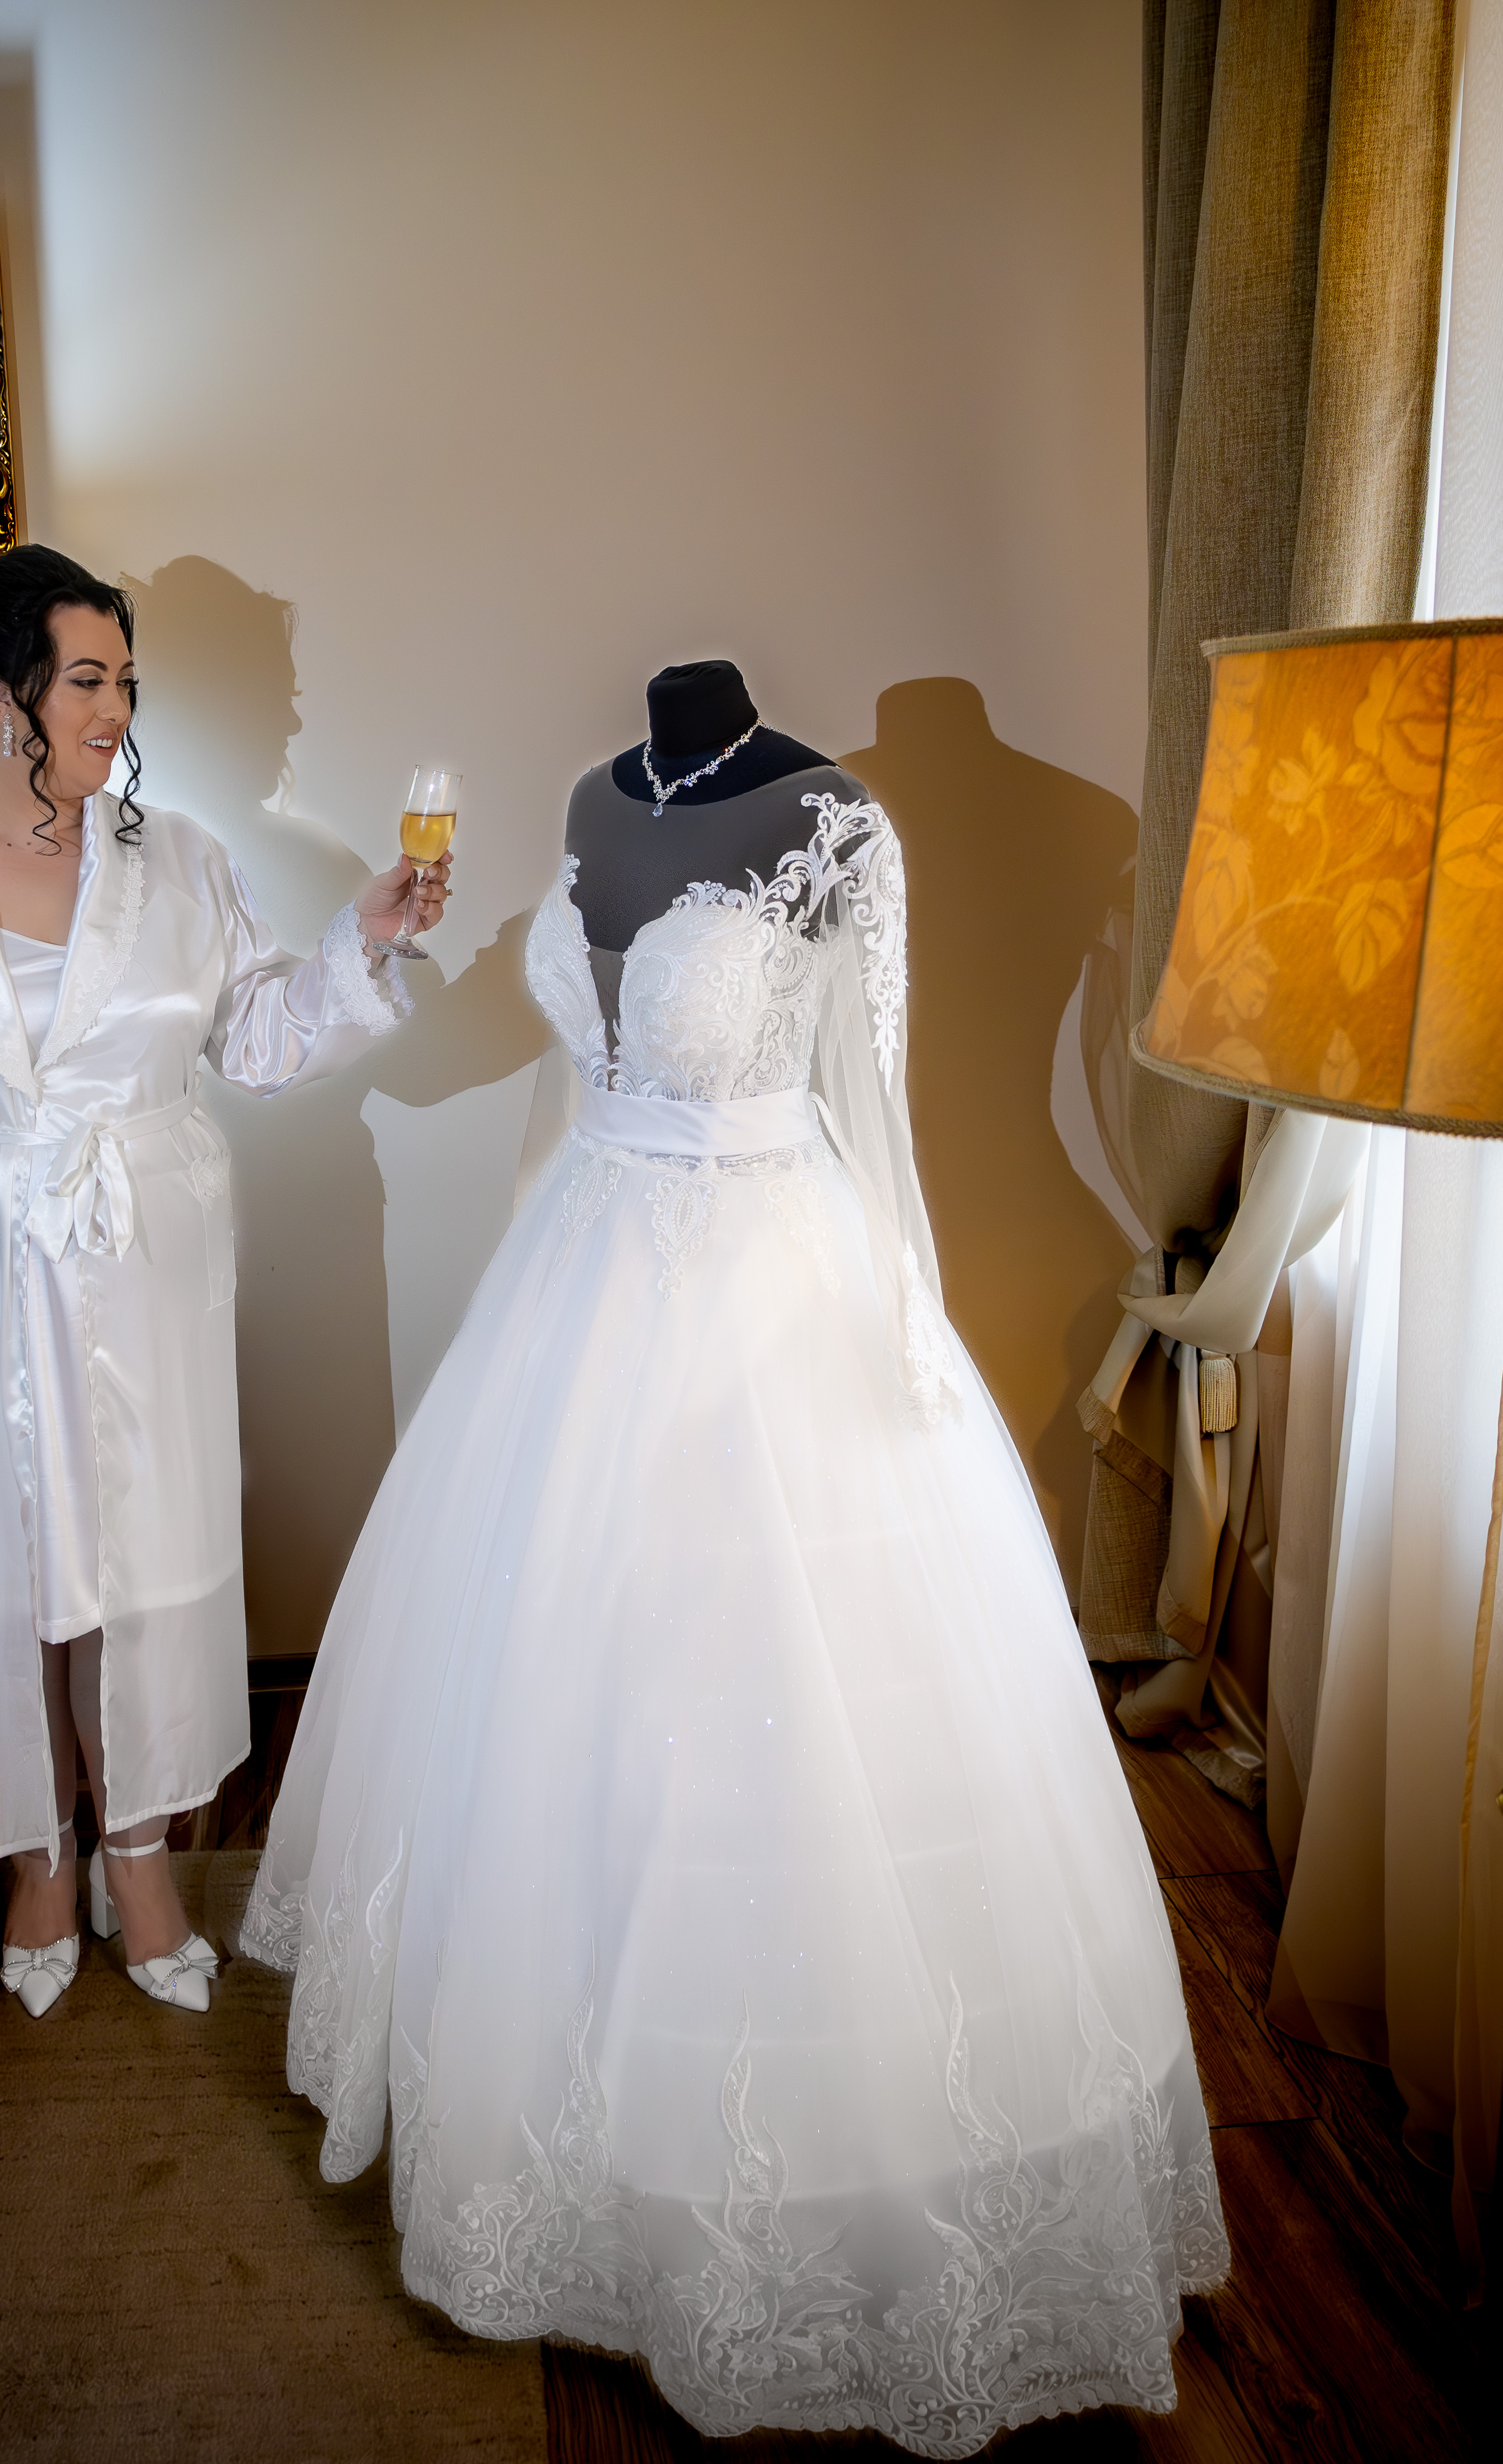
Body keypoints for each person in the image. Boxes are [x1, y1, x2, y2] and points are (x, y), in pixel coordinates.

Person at [246, 662, 1227, 2450]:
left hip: (776, 1272)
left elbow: (879, 1097)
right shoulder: (589, 795)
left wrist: (907, 1324)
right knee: (575, 1691)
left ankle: (844, 2169)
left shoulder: (838, 820)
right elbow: (573, 1072)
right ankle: (571, 2133)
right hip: (591, 1260)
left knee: (787, 1687)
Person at [0, 544, 446, 2020]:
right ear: (1, 689)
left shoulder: (179, 864)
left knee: (138, 1564)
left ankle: (137, 1854)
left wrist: (364, 940)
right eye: (87, 681)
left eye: (127, 683)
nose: (117, 712)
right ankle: (36, 1853)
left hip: (141, 1274)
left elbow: (256, 1037)